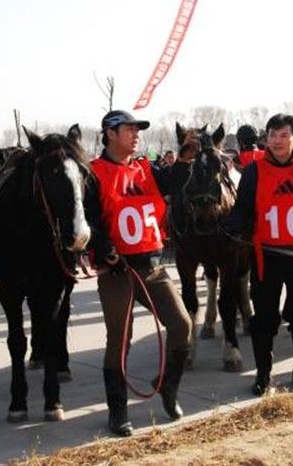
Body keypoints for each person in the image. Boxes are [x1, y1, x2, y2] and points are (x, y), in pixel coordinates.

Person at [85, 110, 193, 437]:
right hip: (118, 270)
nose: (136, 134)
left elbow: (174, 180)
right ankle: (117, 411)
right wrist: (105, 251)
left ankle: (167, 386)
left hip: (152, 266)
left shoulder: (145, 167)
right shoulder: (93, 174)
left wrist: (186, 158)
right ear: (110, 133)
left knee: (182, 325)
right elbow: (89, 222)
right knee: (119, 340)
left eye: (137, 130)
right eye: (129, 129)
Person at [224, 114, 293, 395]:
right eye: (272, 135)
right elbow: (243, 208)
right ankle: (263, 375)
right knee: (265, 319)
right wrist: (228, 226)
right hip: (266, 258)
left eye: (284, 136)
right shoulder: (254, 171)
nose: (277, 141)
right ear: (266, 138)